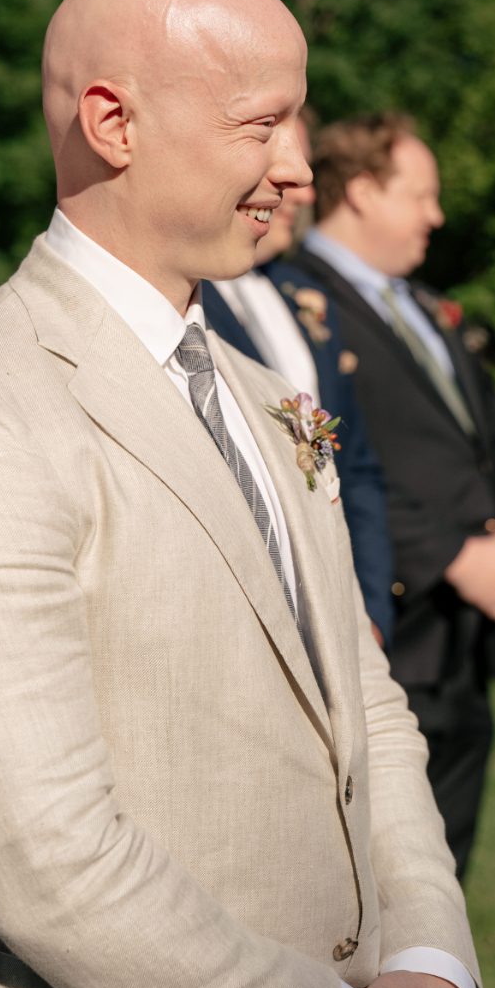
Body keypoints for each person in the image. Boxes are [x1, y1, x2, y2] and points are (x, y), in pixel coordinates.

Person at [0, 0, 480, 988]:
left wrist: (426, 951)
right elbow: (44, 860)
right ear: (114, 122)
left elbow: (360, 708)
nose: (296, 168)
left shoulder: (271, 399)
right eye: (259, 124)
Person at [294, 113, 495, 877]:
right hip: (390, 630)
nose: (437, 216)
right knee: (370, 883)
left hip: (463, 645)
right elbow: (326, 463)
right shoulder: (293, 302)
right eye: (422, 195)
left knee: (443, 877)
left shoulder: (427, 308)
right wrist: (448, 557)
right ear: (365, 191)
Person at [203, 119, 396, 642]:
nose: (304, 188)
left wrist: (371, 611)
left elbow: (353, 463)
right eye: (273, 157)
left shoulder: (304, 298)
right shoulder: (186, 304)